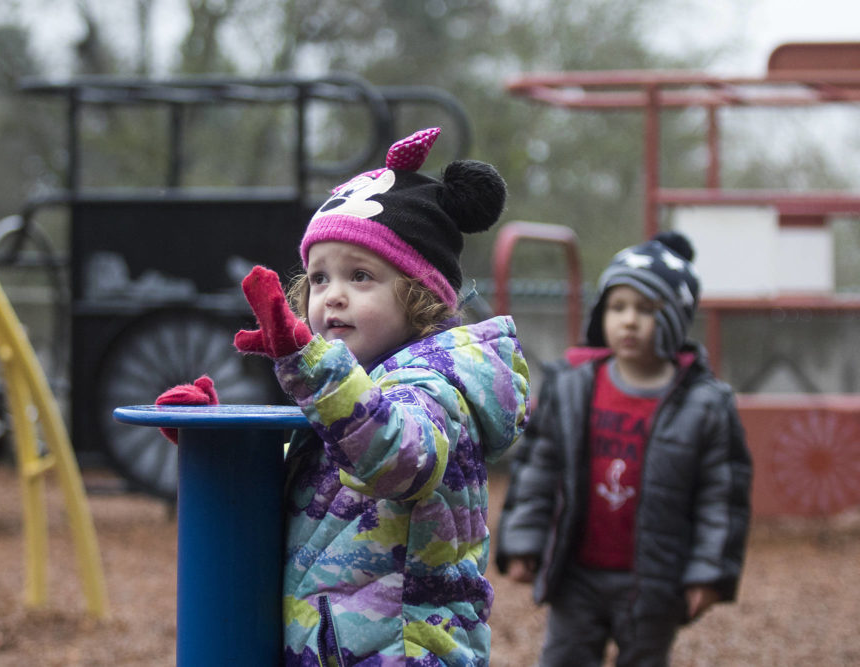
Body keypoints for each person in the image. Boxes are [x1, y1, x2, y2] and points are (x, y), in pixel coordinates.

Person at [157, 127, 531, 665]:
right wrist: (220, 441)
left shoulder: (438, 388)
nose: (332, 294)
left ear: (419, 294)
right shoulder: (347, 396)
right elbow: (304, 501)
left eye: (360, 276)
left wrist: (314, 372)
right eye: (319, 277)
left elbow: (399, 461)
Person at [495, 231, 753, 666]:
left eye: (646, 310)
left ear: (676, 317)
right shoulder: (573, 386)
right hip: (576, 572)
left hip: (655, 580)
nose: (629, 321)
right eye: (618, 307)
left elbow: (722, 495)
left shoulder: (706, 404)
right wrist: (523, 542)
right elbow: (539, 467)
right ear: (602, 314)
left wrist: (709, 574)